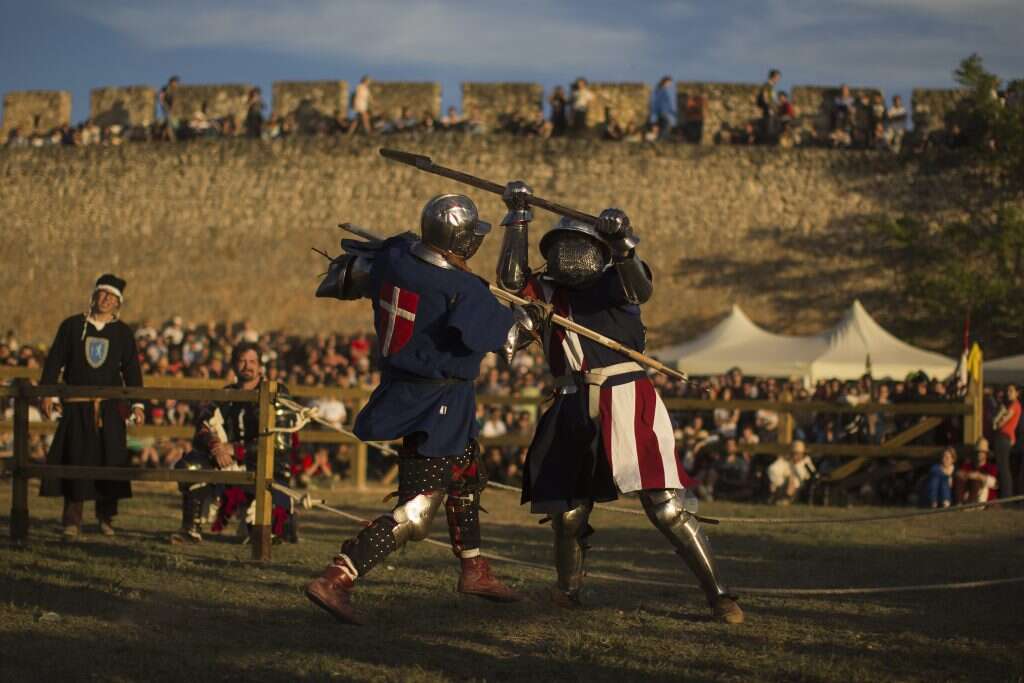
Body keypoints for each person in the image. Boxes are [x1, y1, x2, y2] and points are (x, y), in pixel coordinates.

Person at [495, 182, 743, 624]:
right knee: (568, 514)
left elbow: (640, 288)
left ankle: (720, 595)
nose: (570, 255)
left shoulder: (615, 284)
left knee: (665, 507)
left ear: (598, 249)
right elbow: (511, 284)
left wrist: (623, 243)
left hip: (627, 398)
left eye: (580, 247)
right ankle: (567, 593)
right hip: (571, 401)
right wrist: (517, 218)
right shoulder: (548, 291)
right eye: (563, 247)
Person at [306, 193, 530, 624]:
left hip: (414, 388)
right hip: (437, 400)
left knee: (466, 477)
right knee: (418, 509)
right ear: (461, 240)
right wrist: (530, 319)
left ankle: (474, 569)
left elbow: (348, 276)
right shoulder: (463, 289)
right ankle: (337, 577)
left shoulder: (396, 256)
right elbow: (508, 341)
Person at [40, 274, 145, 539]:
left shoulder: (122, 333)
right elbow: (54, 361)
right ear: (94, 295)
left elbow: (132, 369)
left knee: (110, 461)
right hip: (77, 407)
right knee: (76, 459)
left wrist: (138, 403)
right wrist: (47, 393)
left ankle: (106, 518)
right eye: (103, 294)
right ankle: (72, 521)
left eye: (112, 297)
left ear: (118, 303)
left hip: (110, 409)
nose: (106, 299)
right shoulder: (72, 326)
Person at [169, 343, 297, 544]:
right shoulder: (227, 394)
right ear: (234, 366)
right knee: (190, 465)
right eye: (242, 361)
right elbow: (202, 424)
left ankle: (268, 528)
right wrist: (215, 446)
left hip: (268, 468)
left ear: (260, 366)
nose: (248, 366)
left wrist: (235, 449)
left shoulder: (277, 392)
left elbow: (280, 443)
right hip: (227, 464)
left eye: (253, 361)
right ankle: (190, 529)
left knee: (262, 537)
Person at [991, 385, 1020, 497]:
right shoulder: (1013, 405)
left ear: (1017, 393)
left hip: (1003, 437)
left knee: (1003, 467)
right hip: (1005, 437)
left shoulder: (1014, 405)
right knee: (1003, 467)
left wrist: (999, 419)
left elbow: (1002, 422)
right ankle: (1005, 495)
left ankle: (1006, 495)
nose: (1008, 393)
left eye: (1011, 391)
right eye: (1007, 390)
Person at [955, 438, 999, 504]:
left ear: (986, 454)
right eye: (978, 451)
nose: (979, 454)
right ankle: (959, 503)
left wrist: (978, 476)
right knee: (960, 479)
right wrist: (969, 475)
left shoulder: (991, 467)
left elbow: (994, 483)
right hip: (967, 494)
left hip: (984, 498)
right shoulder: (968, 465)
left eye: (982, 452)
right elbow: (958, 473)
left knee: (976, 481)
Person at [757, 69, 781, 143]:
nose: (778, 80)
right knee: (769, 129)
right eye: (777, 77)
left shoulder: (771, 87)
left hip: (772, 110)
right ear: (773, 77)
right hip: (769, 111)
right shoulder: (767, 86)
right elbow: (766, 98)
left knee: (773, 128)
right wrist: (769, 108)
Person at [651, 76, 677, 140]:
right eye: (669, 83)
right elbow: (662, 103)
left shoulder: (659, 90)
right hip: (663, 112)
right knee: (665, 126)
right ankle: (661, 140)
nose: (670, 85)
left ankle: (661, 140)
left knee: (663, 127)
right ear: (665, 82)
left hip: (662, 112)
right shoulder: (662, 91)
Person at [158, 75, 180, 141]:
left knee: (169, 123)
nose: (176, 84)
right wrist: (164, 106)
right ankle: (172, 138)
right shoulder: (165, 88)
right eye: (175, 82)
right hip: (166, 108)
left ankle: (163, 138)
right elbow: (161, 98)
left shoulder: (175, 90)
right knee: (169, 122)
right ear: (171, 82)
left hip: (172, 110)